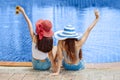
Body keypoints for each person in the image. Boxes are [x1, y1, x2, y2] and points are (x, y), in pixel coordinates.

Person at [52, 10, 99, 75]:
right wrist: (97, 18)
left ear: (64, 35)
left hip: (67, 66)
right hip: (77, 67)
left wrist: (57, 72)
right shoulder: (78, 43)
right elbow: (88, 30)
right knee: (81, 59)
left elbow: (60, 58)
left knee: (56, 49)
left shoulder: (61, 42)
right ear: (73, 35)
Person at [16, 6, 55, 70]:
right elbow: (50, 55)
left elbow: (29, 24)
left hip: (35, 65)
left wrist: (23, 12)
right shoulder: (49, 40)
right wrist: (54, 67)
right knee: (54, 48)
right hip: (45, 66)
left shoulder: (34, 38)